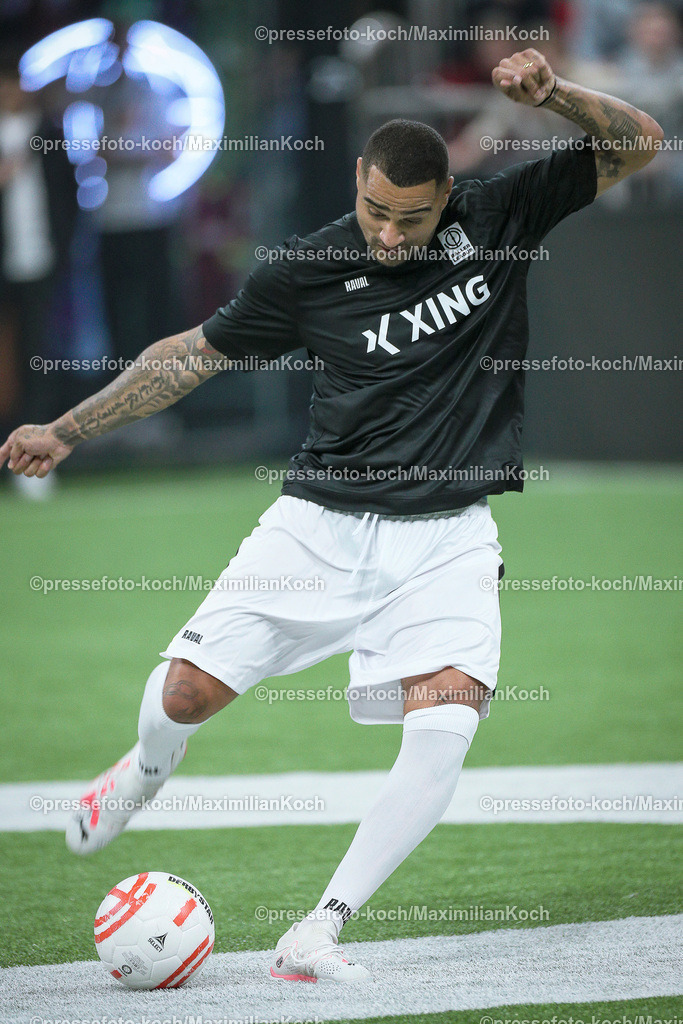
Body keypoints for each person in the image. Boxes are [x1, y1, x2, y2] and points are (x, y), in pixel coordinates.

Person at [0, 48, 663, 983]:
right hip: (319, 524)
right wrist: (67, 429)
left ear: (446, 196)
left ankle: (318, 928)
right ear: (358, 181)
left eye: (413, 217)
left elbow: (640, 142)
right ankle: (143, 771)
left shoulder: (501, 212)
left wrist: (551, 94)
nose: (391, 234)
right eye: (376, 211)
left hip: (448, 534)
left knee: (447, 725)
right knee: (183, 697)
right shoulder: (306, 271)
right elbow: (188, 355)